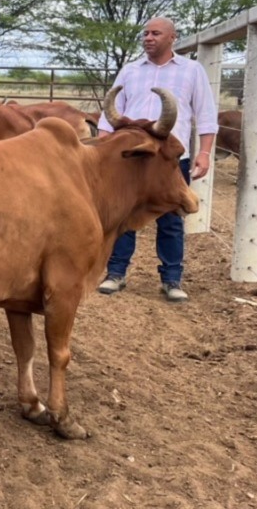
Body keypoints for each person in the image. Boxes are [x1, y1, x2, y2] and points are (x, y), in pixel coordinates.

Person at [96, 17, 218, 302]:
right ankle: (115, 274)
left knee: (172, 218)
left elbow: (206, 114)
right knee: (122, 215)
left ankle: (172, 279)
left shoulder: (192, 70)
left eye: (155, 33)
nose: (148, 37)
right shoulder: (130, 70)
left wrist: (203, 152)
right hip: (132, 158)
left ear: (172, 37)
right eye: (146, 33)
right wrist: (102, 146)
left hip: (171, 160)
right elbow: (111, 114)